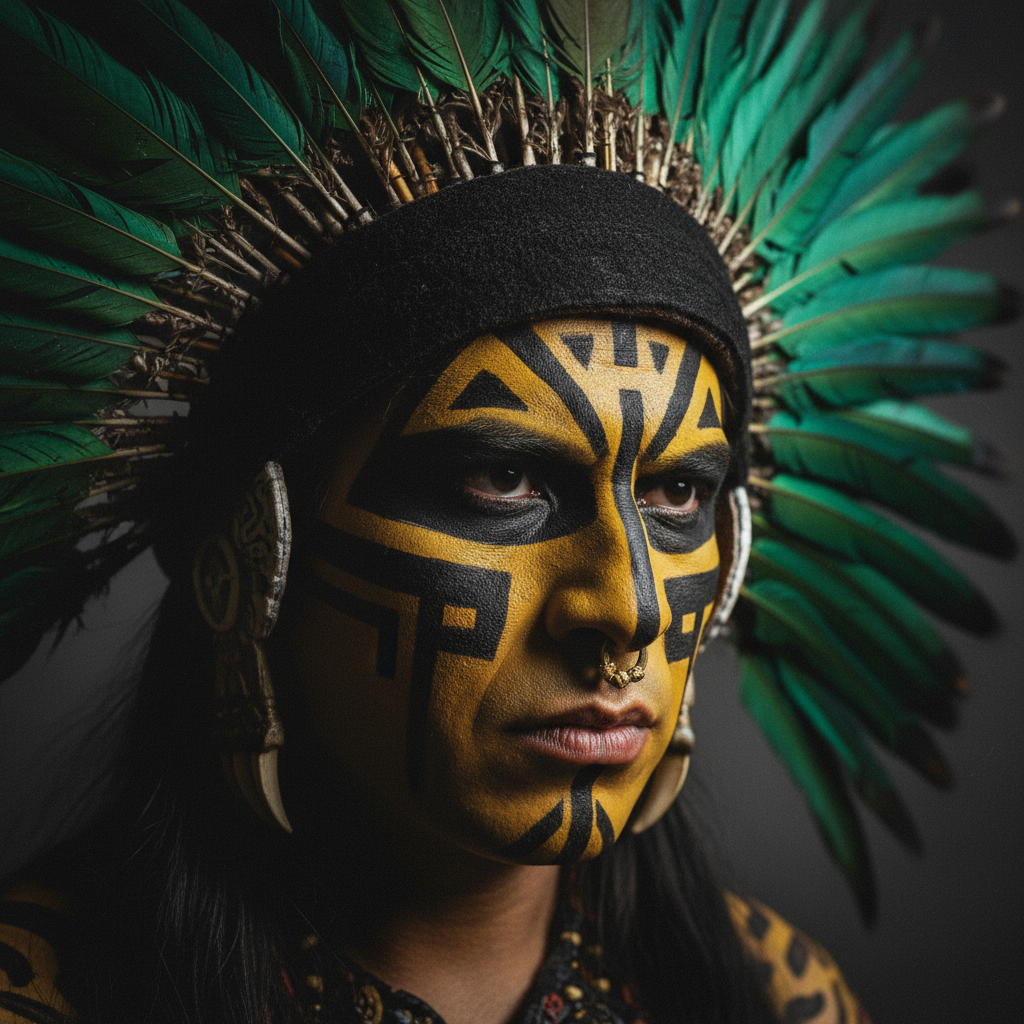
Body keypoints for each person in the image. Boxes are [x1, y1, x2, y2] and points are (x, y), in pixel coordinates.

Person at [0, 2, 1014, 1021]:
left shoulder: (785, 1001)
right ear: (256, 549)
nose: (628, 610)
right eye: (500, 478)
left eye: (676, 492)